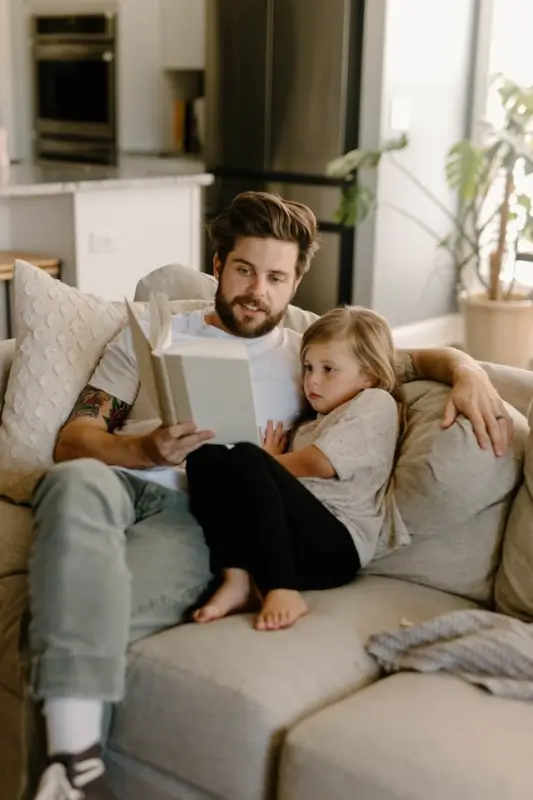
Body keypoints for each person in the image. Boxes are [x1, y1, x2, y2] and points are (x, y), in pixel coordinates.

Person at [30, 191, 512, 800]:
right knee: (72, 483)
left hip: (198, 520)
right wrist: (145, 450)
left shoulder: (314, 347)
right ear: (218, 263)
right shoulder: (154, 332)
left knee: (82, 606)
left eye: (276, 277)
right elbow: (74, 441)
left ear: (296, 281)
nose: (257, 290)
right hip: (112, 480)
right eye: (244, 270)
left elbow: (410, 359)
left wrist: (470, 371)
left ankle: (66, 768)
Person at [186, 306, 409, 631]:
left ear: (369, 374)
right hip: (291, 541)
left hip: (337, 546)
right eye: (307, 368)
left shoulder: (374, 403)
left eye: (328, 369)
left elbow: (320, 463)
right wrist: (266, 467)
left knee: (245, 456)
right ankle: (238, 577)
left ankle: (281, 588)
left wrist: (263, 464)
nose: (312, 380)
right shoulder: (309, 425)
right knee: (204, 455)